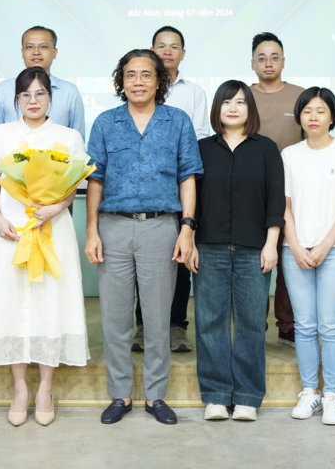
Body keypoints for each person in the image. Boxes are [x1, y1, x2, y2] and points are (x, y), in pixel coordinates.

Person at [85, 49, 202, 426]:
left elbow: (187, 177)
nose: (138, 81)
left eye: (146, 75)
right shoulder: (106, 122)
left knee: (157, 318)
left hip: (160, 227)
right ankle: (120, 394)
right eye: (131, 75)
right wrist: (91, 230)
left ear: (159, 80)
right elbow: (95, 180)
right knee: (115, 318)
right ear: (121, 81)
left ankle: (155, 395)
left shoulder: (177, 121)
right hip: (113, 227)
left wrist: (187, 227)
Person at [0, 67, 91, 427]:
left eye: (40, 94)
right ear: (16, 99)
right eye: (25, 95)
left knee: (50, 302)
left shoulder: (68, 137)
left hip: (53, 230)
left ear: (51, 98)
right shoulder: (1, 134)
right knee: (12, 303)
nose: (33, 101)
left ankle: (45, 389)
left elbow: (73, 184)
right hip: (12, 230)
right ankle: (20, 388)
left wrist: (58, 207)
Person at [191, 80, 284, 423]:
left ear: (250, 109)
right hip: (209, 247)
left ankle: (247, 396)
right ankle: (216, 395)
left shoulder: (266, 148)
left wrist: (271, 243)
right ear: (217, 108)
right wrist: (190, 241)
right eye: (227, 102)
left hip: (253, 249)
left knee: (250, 323)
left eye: (241, 102)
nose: (233, 108)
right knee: (209, 322)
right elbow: (191, 199)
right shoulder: (202, 149)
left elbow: (276, 198)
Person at [281, 87, 335, 427]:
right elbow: (284, 205)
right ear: (299, 116)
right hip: (295, 251)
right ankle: (309, 391)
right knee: (304, 325)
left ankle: (332, 394)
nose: (314, 117)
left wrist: (324, 246)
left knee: (331, 326)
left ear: (332, 115)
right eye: (307, 111)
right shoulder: (289, 155)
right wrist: (295, 245)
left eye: (321, 110)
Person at [134, 25, 211, 354]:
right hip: (143, 189)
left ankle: (177, 325)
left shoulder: (193, 92)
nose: (167, 51)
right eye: (161, 46)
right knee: (142, 261)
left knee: (180, 256)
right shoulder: (137, 87)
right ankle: (143, 327)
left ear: (182, 53)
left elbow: (200, 138)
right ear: (152, 50)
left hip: (181, 185)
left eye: (173, 46)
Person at [248, 31, 304, 347]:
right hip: (253, 192)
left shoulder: (301, 96)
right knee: (255, 259)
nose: (268, 63)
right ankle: (255, 322)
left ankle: (288, 324)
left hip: (294, 192)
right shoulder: (243, 97)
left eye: (274, 57)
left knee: (289, 258)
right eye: (262, 57)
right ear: (252, 63)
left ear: (284, 61)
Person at [0, 26, 86, 138]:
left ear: (54, 52)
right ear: (22, 52)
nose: (36, 52)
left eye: (43, 47)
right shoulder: (3, 90)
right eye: (29, 47)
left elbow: (78, 141)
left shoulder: (69, 92)